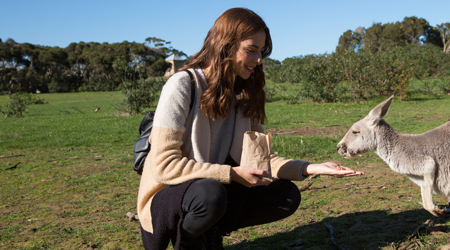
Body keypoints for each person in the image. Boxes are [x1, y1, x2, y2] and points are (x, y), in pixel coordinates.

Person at [136, 7, 364, 250]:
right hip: (170, 194)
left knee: (286, 195)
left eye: (262, 51)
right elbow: (164, 166)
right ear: (225, 46)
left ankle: (211, 233)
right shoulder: (183, 85)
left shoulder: (245, 91)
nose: (259, 60)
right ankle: (190, 242)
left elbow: (260, 162)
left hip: (213, 189)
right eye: (251, 50)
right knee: (209, 193)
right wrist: (232, 174)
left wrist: (311, 168)